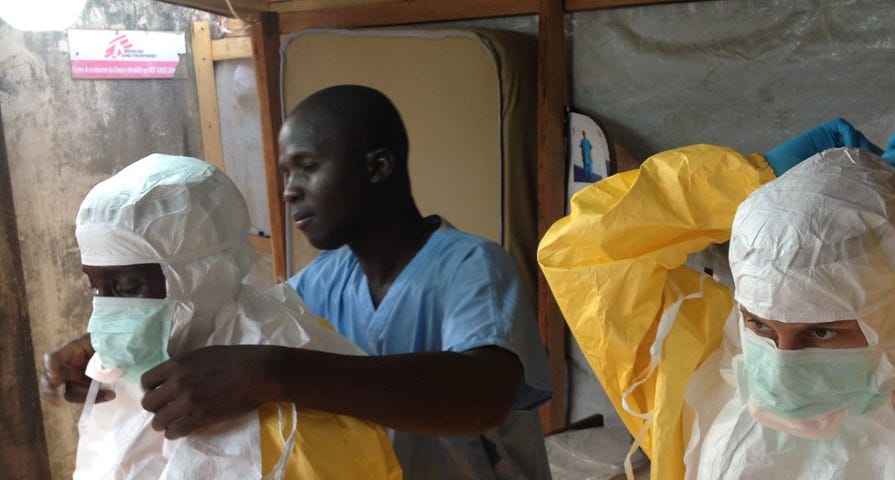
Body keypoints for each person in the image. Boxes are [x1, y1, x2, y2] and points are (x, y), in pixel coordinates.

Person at [44, 85, 554, 480]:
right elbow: (230, 324)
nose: (289, 192)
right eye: (285, 174)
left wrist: (274, 371)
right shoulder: (323, 281)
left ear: (378, 167)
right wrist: (120, 335)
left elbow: (483, 394)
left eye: (307, 168)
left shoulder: (472, 266)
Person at [537, 119, 895, 479]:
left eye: (822, 331)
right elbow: (590, 255)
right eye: (761, 325)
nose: (783, 363)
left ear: (889, 316)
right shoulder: (701, 386)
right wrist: (750, 180)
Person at [59, 153, 400, 478]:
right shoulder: (124, 372)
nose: (103, 316)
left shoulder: (297, 408)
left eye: (128, 288)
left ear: (203, 274)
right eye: (96, 289)